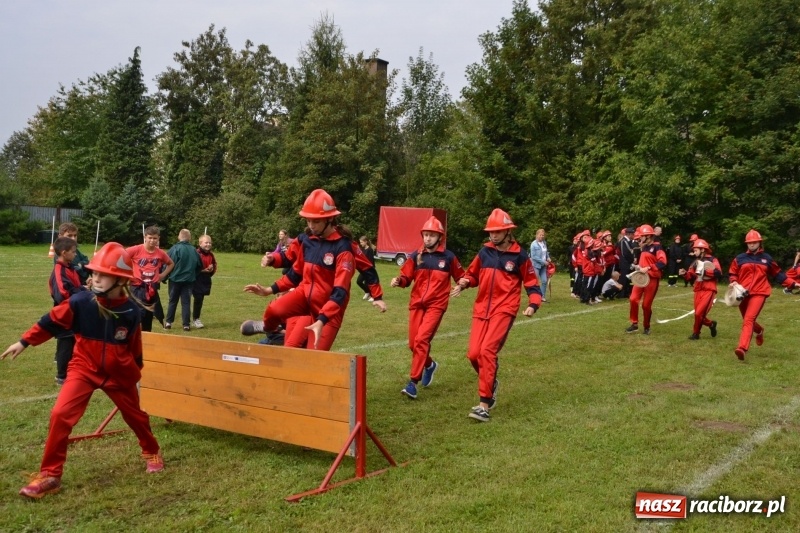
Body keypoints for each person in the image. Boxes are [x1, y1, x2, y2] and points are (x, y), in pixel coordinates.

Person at [1, 242, 163, 500]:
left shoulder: (132, 312)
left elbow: (135, 346)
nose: (94, 277)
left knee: (136, 418)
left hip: (118, 374)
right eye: (94, 272)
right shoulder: (80, 302)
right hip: (83, 368)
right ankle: (50, 476)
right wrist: (24, 341)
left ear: (120, 279)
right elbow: (51, 320)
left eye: (102, 273)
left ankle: (151, 450)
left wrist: (136, 372)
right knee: (60, 413)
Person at [451, 209, 542, 422]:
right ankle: (491, 383)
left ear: (508, 231)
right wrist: (464, 283)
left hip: (504, 309)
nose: (493, 235)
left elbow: (531, 283)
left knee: (486, 352)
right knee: (473, 354)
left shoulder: (520, 256)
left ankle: (484, 404)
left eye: (498, 231)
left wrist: (533, 304)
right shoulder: (484, 253)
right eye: (491, 231)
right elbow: (472, 274)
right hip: (481, 309)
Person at [243, 189, 357, 351]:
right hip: (304, 298)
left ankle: (281, 336)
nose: (311, 226)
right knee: (274, 311)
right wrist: (269, 285)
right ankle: (272, 331)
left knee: (309, 359)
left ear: (330, 218)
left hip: (328, 314)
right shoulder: (307, 239)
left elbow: (340, 292)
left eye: (316, 222)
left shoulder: (343, 248)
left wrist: (322, 320)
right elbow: (294, 270)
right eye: (308, 221)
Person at [392, 216, 465, 400]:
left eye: (432, 235)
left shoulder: (448, 257)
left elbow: (461, 275)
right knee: (412, 344)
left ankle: (412, 383)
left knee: (421, 340)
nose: (428, 239)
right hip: (417, 304)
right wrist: (399, 281)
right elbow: (406, 277)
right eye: (425, 235)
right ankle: (430, 365)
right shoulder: (416, 256)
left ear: (439, 237)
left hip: (436, 305)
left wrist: (461, 284)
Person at [728, 230, 789, 360]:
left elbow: (778, 274)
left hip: (760, 292)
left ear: (759, 243)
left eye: (754, 242)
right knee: (747, 319)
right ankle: (759, 331)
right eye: (749, 242)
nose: (751, 244)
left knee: (748, 319)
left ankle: (742, 348)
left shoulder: (767, 258)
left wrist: (792, 284)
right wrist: (733, 281)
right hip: (742, 293)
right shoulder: (740, 258)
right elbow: (733, 272)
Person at [50, 236, 88, 386]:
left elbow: (75, 285)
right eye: (73, 252)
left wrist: (84, 287)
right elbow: (63, 293)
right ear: (64, 253)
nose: (75, 254)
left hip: (75, 312)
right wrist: (80, 292)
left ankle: (74, 371)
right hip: (64, 313)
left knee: (74, 341)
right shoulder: (59, 270)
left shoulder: (70, 267)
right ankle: (61, 376)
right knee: (65, 343)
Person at [126, 226, 174, 332]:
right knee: (137, 315)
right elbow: (121, 257)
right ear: (145, 237)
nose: (152, 241)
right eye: (150, 238)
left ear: (158, 239)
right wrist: (127, 274)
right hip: (137, 288)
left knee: (149, 315)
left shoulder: (160, 253)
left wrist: (163, 274)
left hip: (151, 289)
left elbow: (170, 263)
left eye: (155, 238)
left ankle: (147, 336)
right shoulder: (136, 249)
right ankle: (134, 336)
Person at [626, 224, 666, 335]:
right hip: (640, 278)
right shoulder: (644, 247)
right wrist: (639, 267)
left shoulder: (657, 247)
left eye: (642, 236)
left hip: (652, 279)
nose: (640, 237)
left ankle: (646, 326)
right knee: (633, 299)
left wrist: (648, 268)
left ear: (648, 236)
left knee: (646, 305)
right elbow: (644, 262)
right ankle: (634, 324)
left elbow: (662, 262)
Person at [679, 239, 721, 340]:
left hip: (709, 289)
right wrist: (684, 273)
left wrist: (705, 273)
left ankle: (696, 333)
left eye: (696, 250)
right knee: (698, 313)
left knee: (699, 313)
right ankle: (711, 324)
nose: (694, 252)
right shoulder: (695, 262)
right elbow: (690, 276)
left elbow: (718, 273)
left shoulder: (713, 260)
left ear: (703, 249)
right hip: (698, 289)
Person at [165, 229, 202, 331]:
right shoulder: (194, 250)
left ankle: (168, 322)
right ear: (189, 238)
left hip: (175, 280)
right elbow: (199, 265)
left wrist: (163, 277)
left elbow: (167, 263)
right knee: (186, 302)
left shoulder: (174, 248)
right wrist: (193, 275)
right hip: (189, 281)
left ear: (179, 237)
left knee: (172, 301)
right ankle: (186, 324)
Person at [191, 234, 217, 329]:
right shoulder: (196, 253)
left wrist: (211, 269)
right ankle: (192, 319)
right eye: (206, 242)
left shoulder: (211, 255)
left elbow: (214, 264)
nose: (208, 244)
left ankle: (196, 318)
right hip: (195, 279)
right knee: (194, 299)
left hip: (205, 279)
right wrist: (202, 270)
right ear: (200, 243)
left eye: (210, 243)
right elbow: (192, 267)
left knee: (200, 300)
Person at [530, 229, 551, 302]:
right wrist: (543, 261)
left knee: (544, 281)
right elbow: (533, 256)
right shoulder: (533, 244)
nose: (542, 236)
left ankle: (542, 296)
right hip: (536, 266)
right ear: (537, 235)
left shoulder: (544, 243)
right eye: (540, 235)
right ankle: (534, 297)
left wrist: (548, 258)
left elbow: (546, 252)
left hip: (543, 266)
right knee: (535, 282)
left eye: (543, 235)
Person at [357, 236, 378, 301]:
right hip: (363, 269)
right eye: (360, 242)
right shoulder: (362, 249)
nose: (361, 244)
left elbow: (371, 261)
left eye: (362, 242)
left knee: (369, 283)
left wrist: (370, 270)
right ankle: (367, 292)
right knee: (359, 281)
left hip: (369, 269)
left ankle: (373, 296)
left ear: (366, 242)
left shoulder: (370, 250)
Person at [617, 227, 636, 298]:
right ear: (629, 234)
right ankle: (622, 293)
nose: (633, 235)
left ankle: (626, 293)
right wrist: (632, 260)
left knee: (628, 279)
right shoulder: (623, 241)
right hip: (625, 263)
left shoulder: (628, 241)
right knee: (624, 279)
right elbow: (625, 253)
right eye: (633, 234)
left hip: (628, 262)